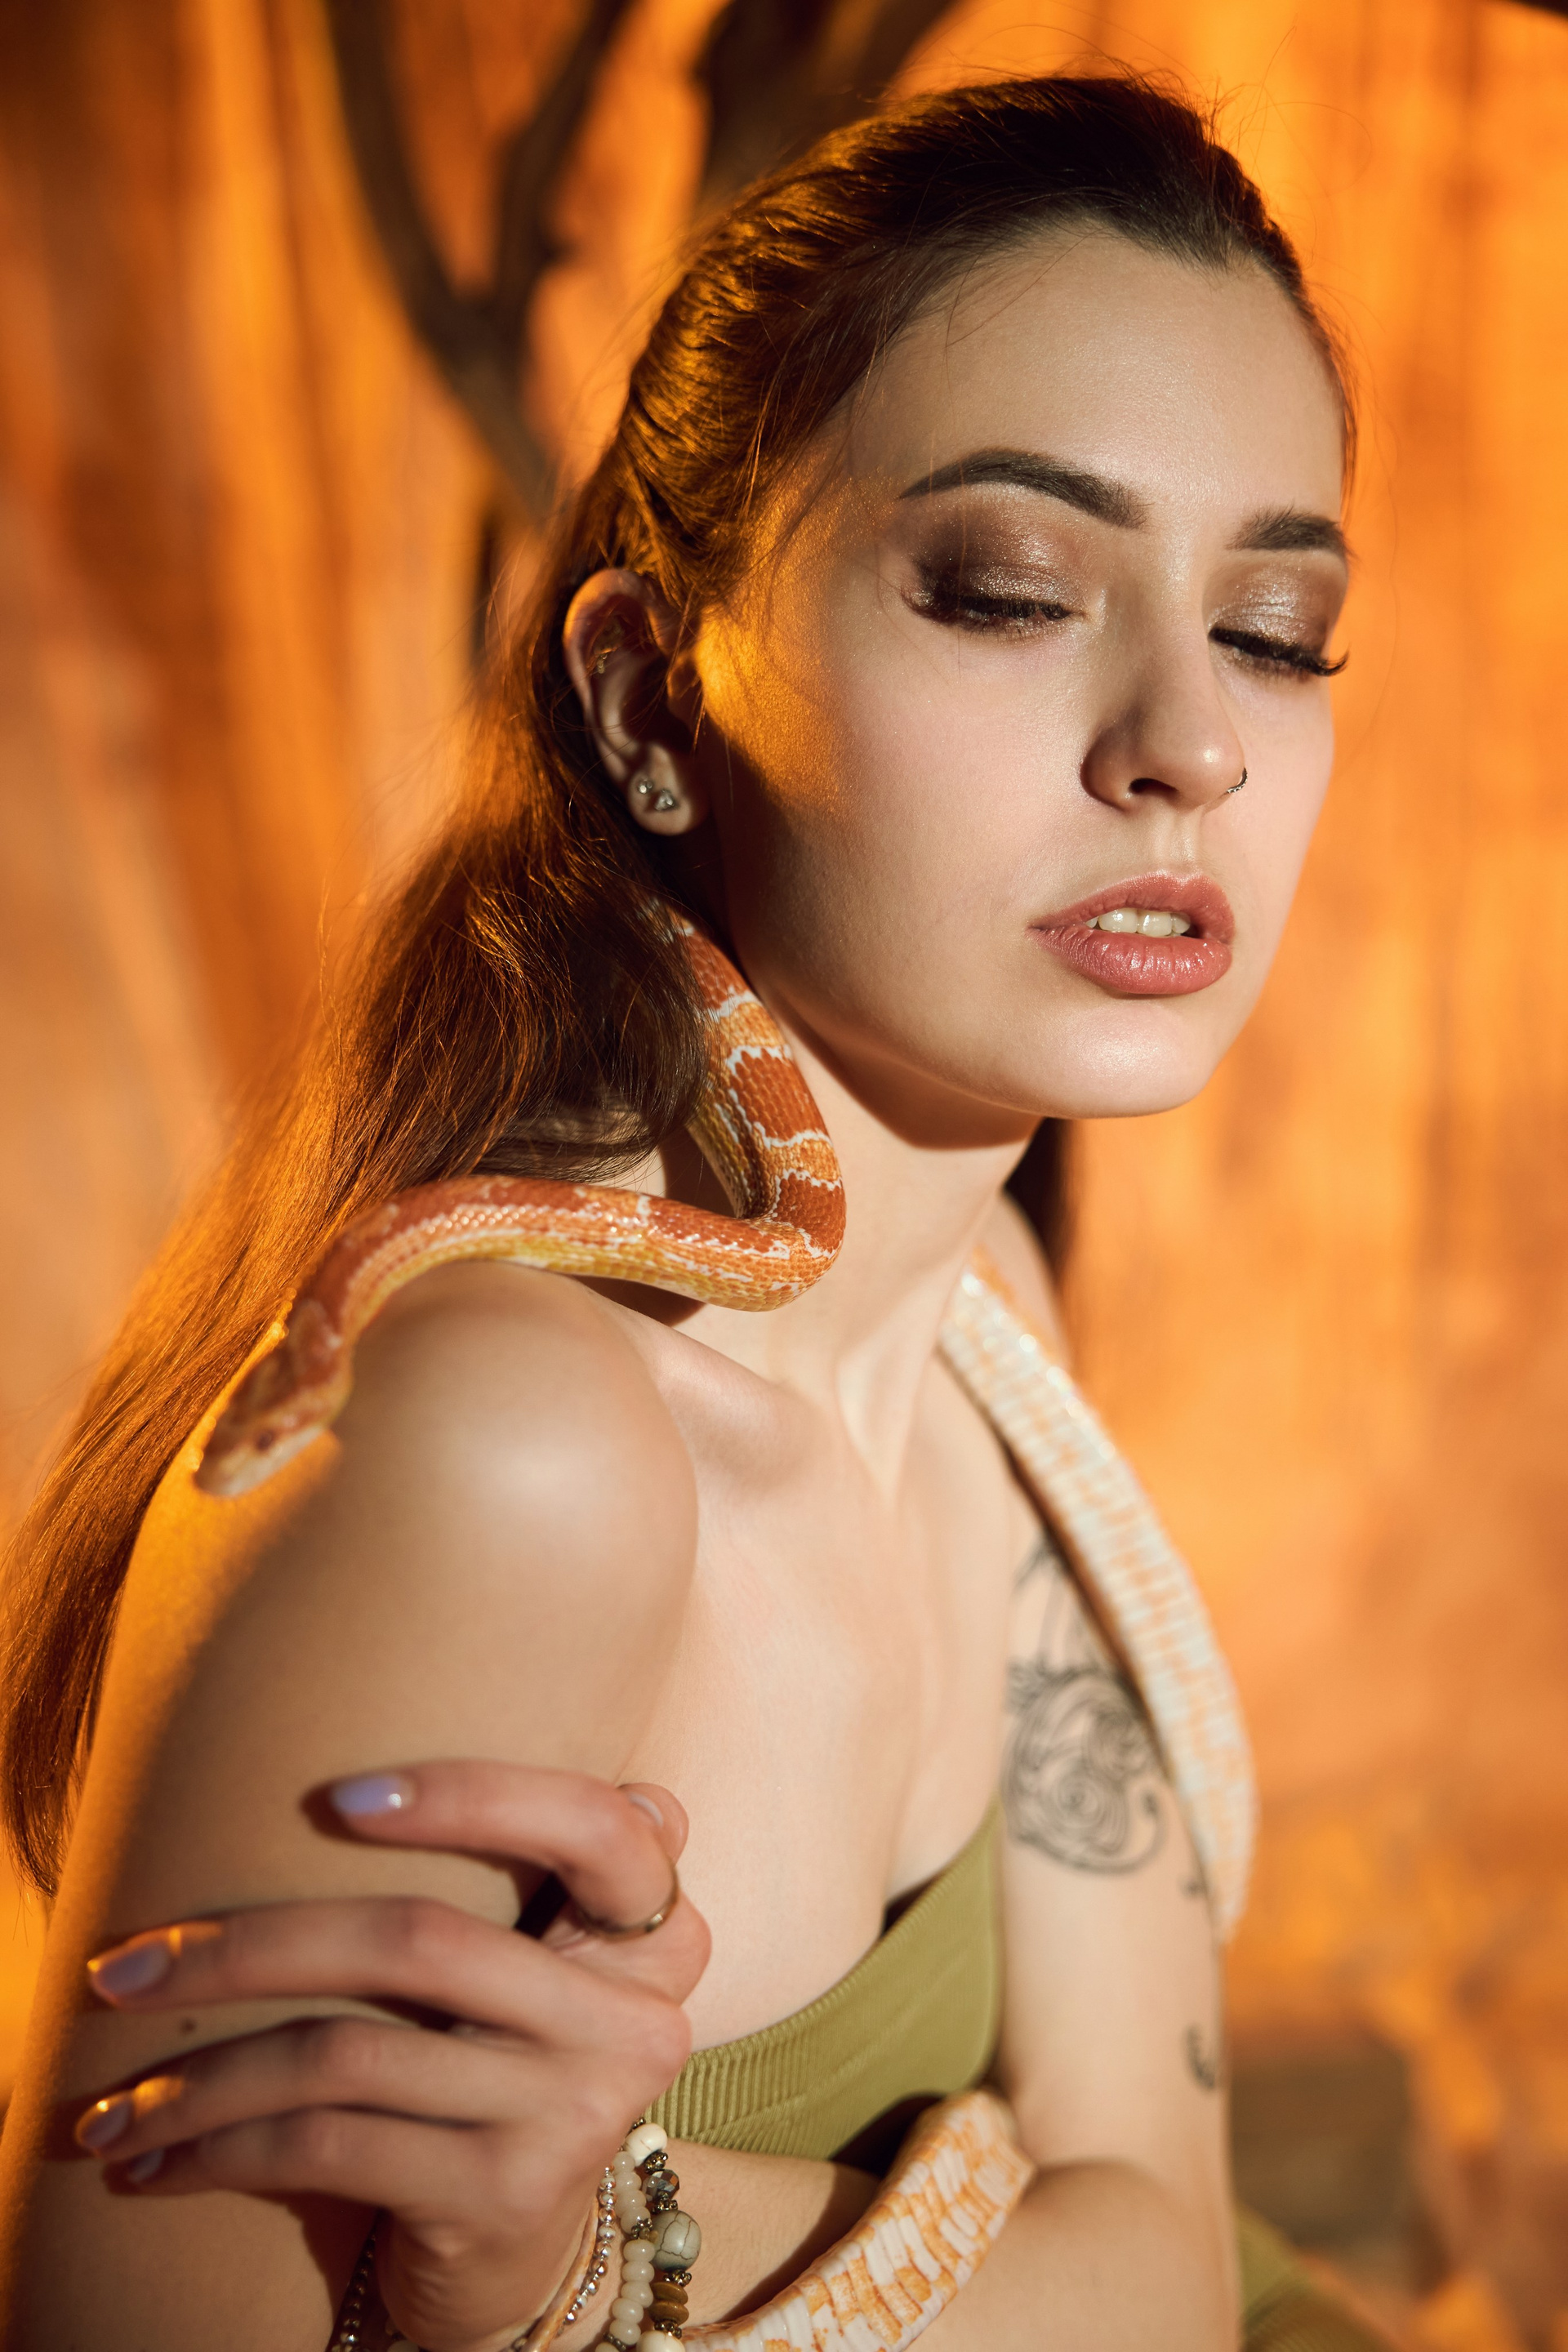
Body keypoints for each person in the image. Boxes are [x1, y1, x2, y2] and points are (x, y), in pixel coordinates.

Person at [0, 74, 1385, 2352]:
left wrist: (607, 2246)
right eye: (1015, 591)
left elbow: (1166, 2258)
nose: (1194, 741)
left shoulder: (983, 1316)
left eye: (1274, 625)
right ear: (653, 700)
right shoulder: (504, 1447)